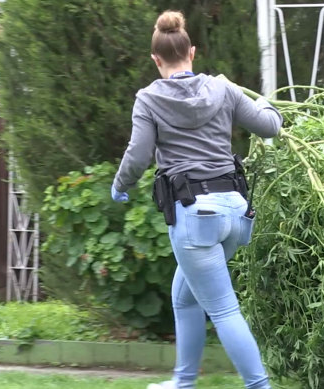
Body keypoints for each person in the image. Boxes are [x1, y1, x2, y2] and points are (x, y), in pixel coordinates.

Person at [111, 10, 282, 389]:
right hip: (237, 214)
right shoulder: (223, 88)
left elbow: (138, 155)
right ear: (192, 51)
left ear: (156, 60)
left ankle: (260, 386)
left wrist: (120, 183)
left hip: (195, 218)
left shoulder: (149, 99)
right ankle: (182, 382)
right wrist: (270, 105)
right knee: (184, 297)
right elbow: (269, 125)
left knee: (223, 309)